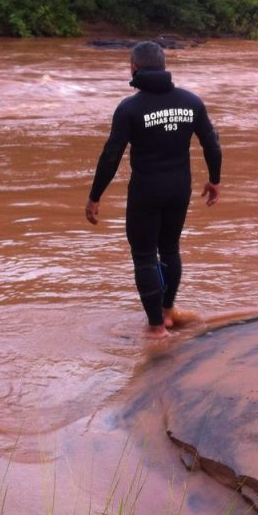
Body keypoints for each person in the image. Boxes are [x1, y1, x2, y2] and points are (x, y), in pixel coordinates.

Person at [85, 40, 222, 339]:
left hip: (146, 191)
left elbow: (111, 155)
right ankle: (167, 312)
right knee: (170, 249)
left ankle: (156, 329)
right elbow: (212, 142)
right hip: (178, 189)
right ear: (163, 66)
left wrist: (95, 196)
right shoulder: (191, 102)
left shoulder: (130, 108)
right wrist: (214, 179)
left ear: (134, 68)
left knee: (145, 255)